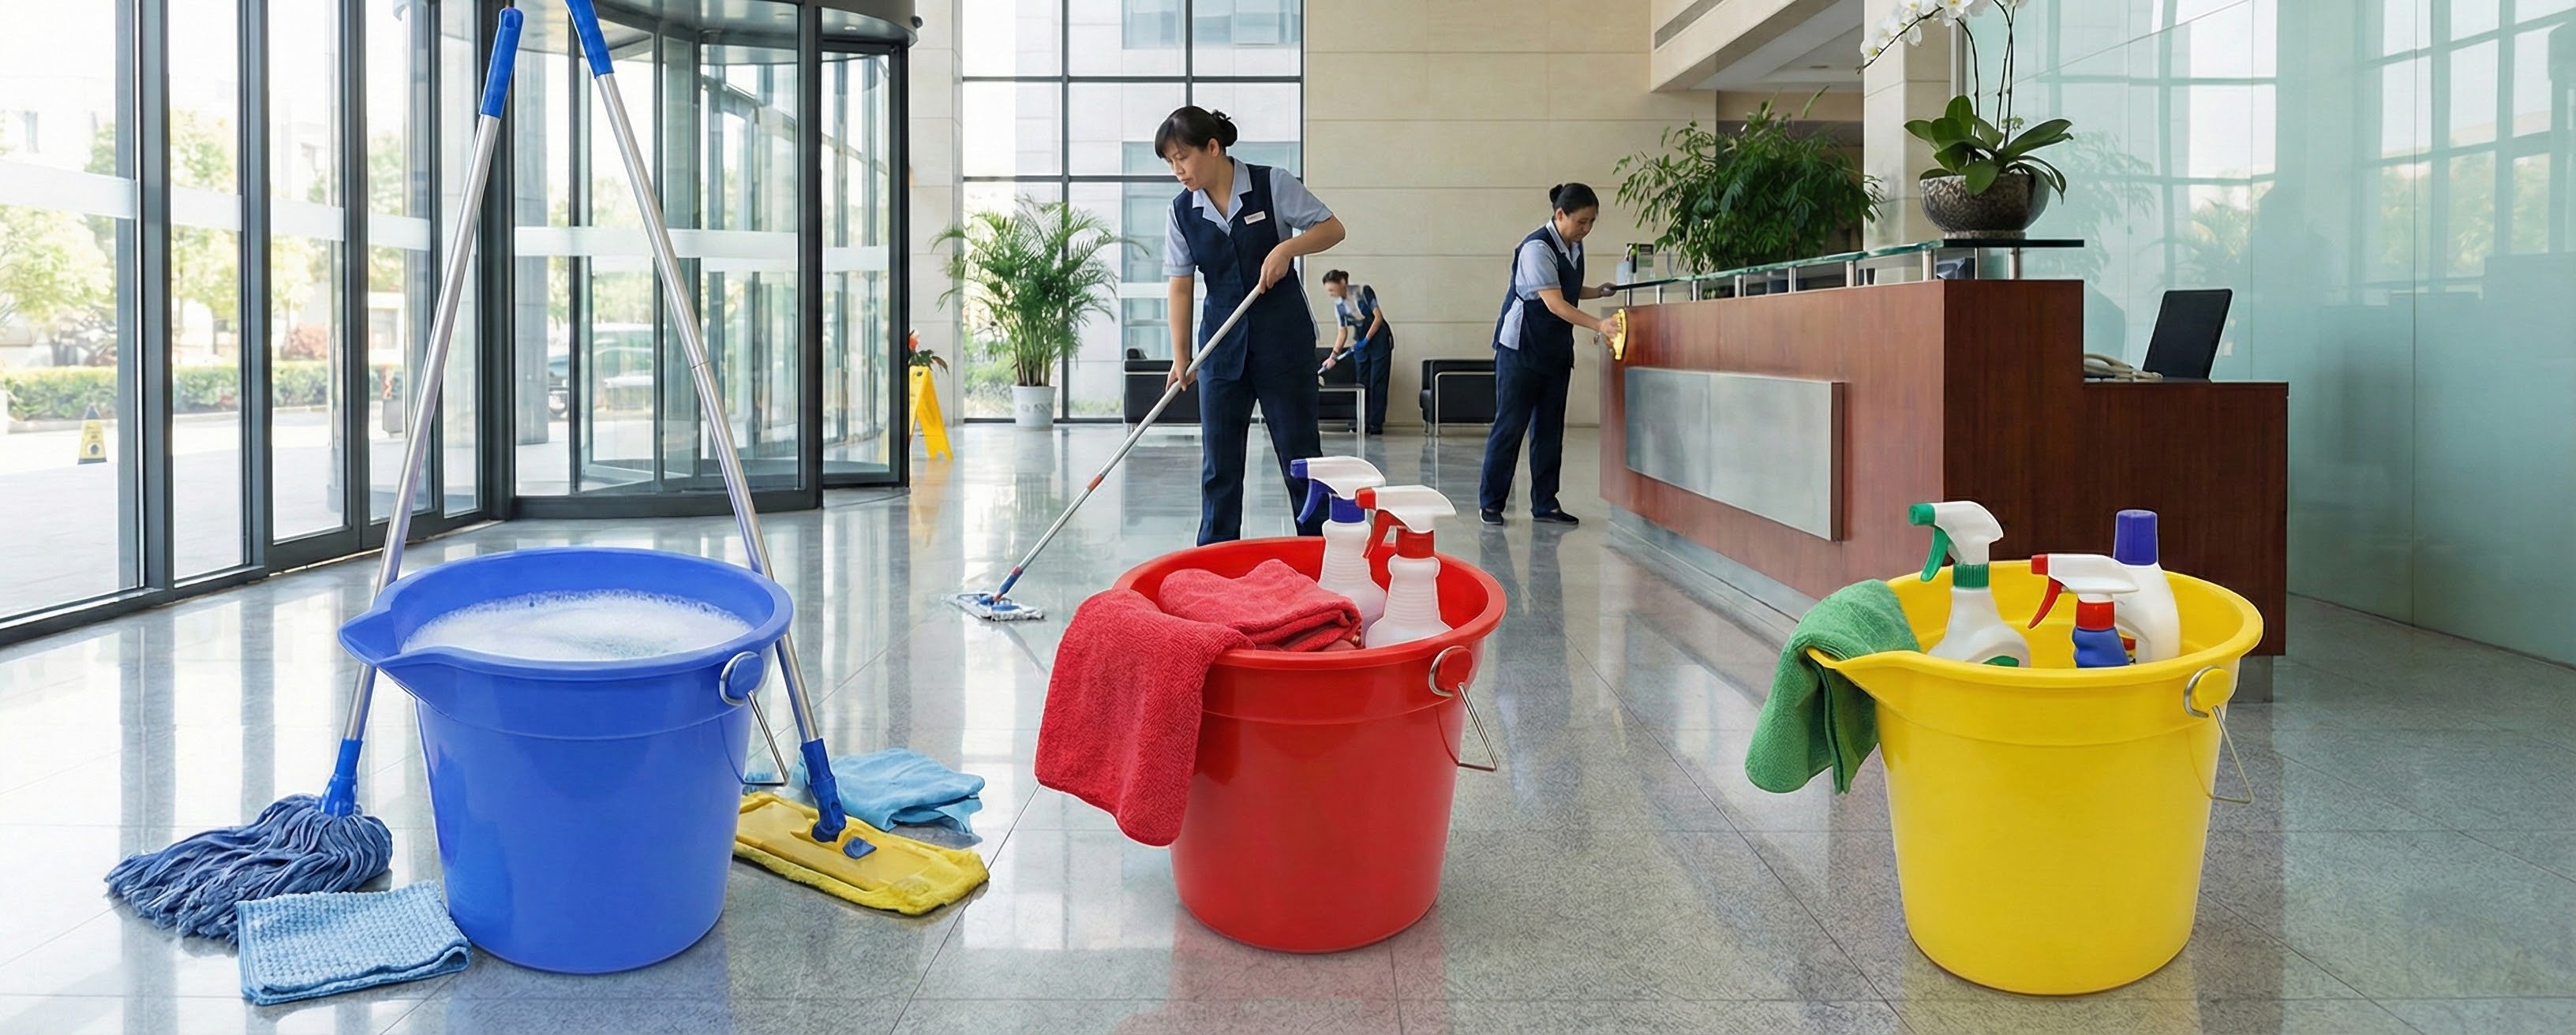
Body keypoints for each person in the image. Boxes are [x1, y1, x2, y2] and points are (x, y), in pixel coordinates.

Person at [1159, 106, 1348, 545]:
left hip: (1283, 345)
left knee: (1300, 457)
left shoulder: (1272, 183)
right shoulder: (1181, 211)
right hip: (1221, 351)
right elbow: (1181, 286)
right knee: (1219, 466)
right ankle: (1214, 560)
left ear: (1213, 147)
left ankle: (1319, 552)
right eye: (1169, 162)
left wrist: (1288, 249)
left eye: (1182, 157)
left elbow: (1332, 228)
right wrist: (1182, 356)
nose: (1177, 170)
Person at [1478, 182, 1616, 527]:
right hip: (1521, 348)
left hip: (1554, 350)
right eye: (1582, 221)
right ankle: (1492, 503)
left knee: (1550, 428)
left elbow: (1565, 287)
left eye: (1592, 222)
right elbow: (1554, 303)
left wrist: (1596, 291)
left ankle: (1546, 504)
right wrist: (1600, 326)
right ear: (1560, 215)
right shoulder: (1536, 248)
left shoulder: (1573, 246)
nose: (1586, 229)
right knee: (1511, 426)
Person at [1319, 271, 1393, 435]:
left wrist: (1367, 339)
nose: (1331, 294)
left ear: (1342, 283)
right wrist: (1333, 356)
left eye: (1332, 289)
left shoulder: (1364, 292)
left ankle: (1376, 424)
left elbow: (1378, 318)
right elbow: (1342, 332)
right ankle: (1362, 422)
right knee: (1362, 383)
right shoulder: (1339, 306)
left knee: (1377, 383)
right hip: (1361, 346)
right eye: (1328, 291)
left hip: (1379, 341)